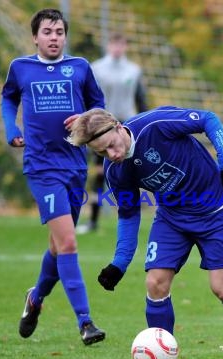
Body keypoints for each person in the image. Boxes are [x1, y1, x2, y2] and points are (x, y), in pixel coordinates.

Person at [67, 106, 223, 359]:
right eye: (102, 152)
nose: (111, 155)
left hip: (216, 212)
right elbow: (128, 215)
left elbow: (208, 118)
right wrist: (120, 263)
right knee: (155, 283)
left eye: (111, 145)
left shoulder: (156, 125)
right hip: (172, 219)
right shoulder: (115, 170)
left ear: (116, 125)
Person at [1, 8, 106, 345]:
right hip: (42, 168)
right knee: (70, 242)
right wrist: (10, 128)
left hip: (75, 166)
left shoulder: (80, 68)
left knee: (59, 246)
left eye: (59, 31)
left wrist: (86, 116)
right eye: (47, 31)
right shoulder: (21, 68)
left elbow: (99, 106)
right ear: (35, 36)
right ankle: (85, 322)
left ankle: (35, 299)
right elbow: (8, 99)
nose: (54, 37)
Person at [76, 32, 149, 234]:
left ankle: (136, 218)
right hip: (102, 128)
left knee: (135, 172)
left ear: (125, 46)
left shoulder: (134, 71)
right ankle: (93, 220)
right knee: (101, 175)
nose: (117, 48)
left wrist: (144, 123)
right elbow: (87, 96)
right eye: (114, 44)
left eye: (121, 44)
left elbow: (140, 99)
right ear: (108, 46)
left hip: (126, 126)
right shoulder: (96, 68)